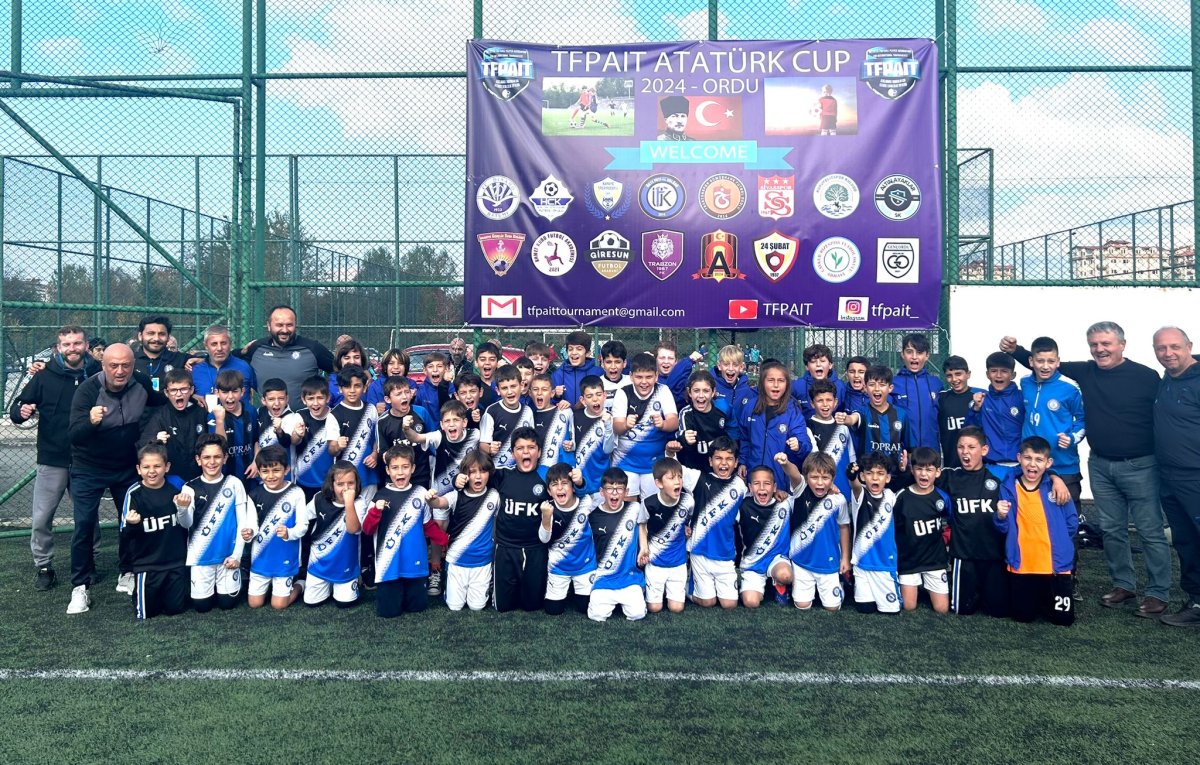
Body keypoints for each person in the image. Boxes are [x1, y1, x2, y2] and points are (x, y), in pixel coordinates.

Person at [1001, 322, 1171, 616]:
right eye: (1094, 344)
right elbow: (1042, 362)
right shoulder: (1085, 371)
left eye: (1106, 343)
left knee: (1149, 530)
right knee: (1112, 529)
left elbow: (1165, 412)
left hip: (1140, 464)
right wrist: (1015, 350)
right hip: (1101, 464)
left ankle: (1157, 592)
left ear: (1122, 345)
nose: (1100, 349)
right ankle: (1124, 585)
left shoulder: (1146, 376)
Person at [66, 342, 167, 614]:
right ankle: (80, 585)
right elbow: (73, 435)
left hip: (125, 467)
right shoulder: (87, 390)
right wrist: (91, 422)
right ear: (103, 365)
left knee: (131, 521)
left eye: (126, 365)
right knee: (84, 524)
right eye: (114, 365)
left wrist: (193, 398)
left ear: (133, 365)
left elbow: (162, 401)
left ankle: (128, 571)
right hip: (88, 468)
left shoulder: (140, 382)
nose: (120, 371)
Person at [9, 324, 92, 591]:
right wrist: (20, 412)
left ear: (86, 346)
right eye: (66, 344)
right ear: (58, 348)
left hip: (87, 459)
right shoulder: (44, 375)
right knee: (42, 518)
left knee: (87, 516)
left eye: (77, 343)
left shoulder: (98, 373)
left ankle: (89, 561)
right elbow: (18, 406)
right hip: (52, 458)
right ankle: (44, 566)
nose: (72, 348)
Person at [995, 436, 1079, 626]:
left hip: (1055, 566)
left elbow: (1072, 522)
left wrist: (1061, 542)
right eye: (1028, 458)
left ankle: (1046, 597)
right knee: (1023, 617)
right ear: (1019, 458)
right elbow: (1003, 528)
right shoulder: (1008, 487)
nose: (1032, 464)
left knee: (1063, 620)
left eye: (1039, 459)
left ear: (1048, 463)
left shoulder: (1056, 488)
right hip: (1023, 565)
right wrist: (1000, 516)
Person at [1150, 326, 1200, 626]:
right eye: (1161, 348)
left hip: (1196, 477)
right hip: (1169, 478)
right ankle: (1197, 602)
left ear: (1189, 346)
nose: (1168, 353)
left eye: (1175, 347)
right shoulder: (1167, 379)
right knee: (1186, 542)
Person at [669, 435, 747, 609]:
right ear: (710, 461)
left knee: (729, 604)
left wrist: (778, 494)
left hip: (725, 554)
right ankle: (688, 587)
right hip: (700, 550)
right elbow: (676, 470)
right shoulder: (699, 478)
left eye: (729, 459)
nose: (723, 463)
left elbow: (753, 502)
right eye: (718, 458)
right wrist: (670, 452)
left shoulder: (740, 486)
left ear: (736, 463)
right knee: (708, 602)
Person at [119, 443, 193, 620]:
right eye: (146, 467)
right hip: (148, 564)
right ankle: (139, 590)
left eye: (157, 466)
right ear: (138, 469)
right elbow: (125, 533)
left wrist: (183, 507)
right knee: (146, 613)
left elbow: (187, 524)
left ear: (167, 467)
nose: (152, 471)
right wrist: (132, 523)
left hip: (175, 562)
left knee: (175, 609)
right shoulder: (134, 493)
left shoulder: (177, 489)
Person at [480, 427, 550, 612]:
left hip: (536, 548)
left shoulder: (548, 476)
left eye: (531, 447)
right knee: (503, 607)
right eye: (520, 448)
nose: (526, 452)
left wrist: (579, 482)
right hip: (506, 547)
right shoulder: (503, 475)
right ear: (512, 453)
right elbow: (476, 475)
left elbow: (572, 489)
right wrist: (458, 479)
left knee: (532, 606)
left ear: (539, 452)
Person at [181, 434, 252, 612]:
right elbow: (186, 523)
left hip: (227, 557)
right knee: (202, 606)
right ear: (198, 460)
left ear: (225, 458)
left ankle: (237, 574)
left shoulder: (234, 483)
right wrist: (182, 509)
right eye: (206, 457)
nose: (212, 462)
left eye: (217, 457)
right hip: (200, 557)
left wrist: (237, 556)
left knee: (227, 604)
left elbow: (243, 522)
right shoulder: (189, 487)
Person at [1019, 337, 1086, 505]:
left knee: (1067, 516)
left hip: (1063, 465)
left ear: (1058, 362)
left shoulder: (1070, 387)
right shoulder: (1025, 382)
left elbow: (1083, 419)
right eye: (1040, 361)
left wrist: (1072, 438)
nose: (1045, 366)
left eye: (1051, 361)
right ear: (1031, 361)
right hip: (1032, 465)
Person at [429, 449, 498, 611]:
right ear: (465, 475)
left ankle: (488, 583)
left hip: (482, 561)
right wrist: (431, 499)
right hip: (456, 560)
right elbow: (439, 503)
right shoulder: (456, 495)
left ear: (489, 473)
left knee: (477, 607)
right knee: (455, 606)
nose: (478, 476)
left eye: (483, 471)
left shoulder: (494, 496)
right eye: (472, 472)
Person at [244, 444, 308, 609]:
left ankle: (300, 584)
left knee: (279, 605)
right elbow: (251, 524)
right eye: (265, 471)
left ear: (286, 469)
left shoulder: (296, 492)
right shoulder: (254, 495)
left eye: (276, 470)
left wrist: (289, 533)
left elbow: (303, 525)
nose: (271, 476)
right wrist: (249, 533)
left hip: (285, 556)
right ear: (259, 472)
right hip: (261, 557)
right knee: (254, 603)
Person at [789, 452, 851, 612]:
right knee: (802, 605)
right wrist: (784, 463)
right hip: (801, 561)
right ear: (806, 477)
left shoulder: (839, 500)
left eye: (825, 478)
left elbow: (844, 527)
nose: (820, 482)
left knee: (832, 608)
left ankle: (839, 585)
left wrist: (845, 557)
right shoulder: (800, 491)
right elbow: (793, 473)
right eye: (814, 477)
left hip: (828, 562)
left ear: (833, 479)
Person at [300, 460, 367, 608]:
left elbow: (353, 529)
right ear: (332, 484)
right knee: (312, 603)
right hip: (318, 562)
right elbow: (302, 517)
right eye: (340, 484)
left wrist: (348, 503)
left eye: (350, 483)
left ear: (357, 484)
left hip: (346, 564)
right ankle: (302, 583)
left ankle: (354, 579)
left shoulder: (359, 502)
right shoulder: (319, 498)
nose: (346, 488)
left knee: (344, 604)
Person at [612, 352, 679, 500]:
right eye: (639, 377)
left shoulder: (663, 391)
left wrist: (663, 424)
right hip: (625, 462)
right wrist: (625, 425)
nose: (644, 382)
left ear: (656, 376)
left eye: (649, 377)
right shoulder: (623, 393)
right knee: (628, 507)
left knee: (652, 506)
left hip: (655, 464)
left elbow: (674, 422)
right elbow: (616, 427)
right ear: (631, 376)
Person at [241, 305, 334, 410]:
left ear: (295, 325)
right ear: (269, 326)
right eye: (279, 325)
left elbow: (337, 368)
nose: (284, 330)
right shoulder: (256, 348)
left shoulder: (313, 348)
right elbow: (233, 361)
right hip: (268, 418)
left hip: (304, 418)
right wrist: (239, 352)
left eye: (289, 325)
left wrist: (327, 394)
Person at [585, 469, 648, 622]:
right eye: (609, 489)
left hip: (629, 578)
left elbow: (643, 525)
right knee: (596, 616)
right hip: (604, 578)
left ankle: (631, 598)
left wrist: (644, 548)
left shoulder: (635, 508)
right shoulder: (592, 517)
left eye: (619, 489)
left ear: (626, 492)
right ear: (602, 492)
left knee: (637, 614)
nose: (614, 493)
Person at [893, 447, 951, 613]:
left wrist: (945, 539)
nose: (923, 474)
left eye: (929, 470)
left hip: (935, 560)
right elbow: (893, 527)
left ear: (937, 472)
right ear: (912, 470)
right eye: (919, 469)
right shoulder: (902, 497)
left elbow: (950, 522)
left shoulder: (942, 498)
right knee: (909, 606)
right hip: (909, 560)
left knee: (942, 609)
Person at [739, 360, 811, 490]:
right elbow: (744, 438)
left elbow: (805, 444)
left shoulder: (792, 411)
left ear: (787, 384)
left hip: (780, 481)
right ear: (762, 383)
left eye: (781, 381)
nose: (776, 385)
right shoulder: (750, 407)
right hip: (754, 478)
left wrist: (799, 445)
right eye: (771, 380)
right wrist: (743, 462)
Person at [737, 460, 799, 608]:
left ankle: (779, 584)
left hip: (777, 559)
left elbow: (807, 495)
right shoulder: (742, 505)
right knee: (751, 602)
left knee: (785, 575)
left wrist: (831, 489)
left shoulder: (785, 503)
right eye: (756, 483)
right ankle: (757, 585)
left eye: (767, 483)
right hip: (753, 562)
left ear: (774, 487)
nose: (762, 488)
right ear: (750, 487)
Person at [539, 463, 595, 615]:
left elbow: (595, 492)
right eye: (554, 485)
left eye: (564, 483)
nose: (560, 488)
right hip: (558, 567)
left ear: (573, 487)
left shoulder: (586, 502)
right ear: (549, 491)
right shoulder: (548, 508)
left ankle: (577, 591)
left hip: (585, 566)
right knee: (553, 610)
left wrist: (581, 482)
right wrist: (546, 518)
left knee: (585, 608)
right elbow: (544, 539)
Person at [849, 452, 900, 615]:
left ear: (888, 478)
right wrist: (851, 476)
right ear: (863, 476)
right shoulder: (860, 495)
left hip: (884, 564)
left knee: (890, 611)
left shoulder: (891, 496)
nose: (875, 478)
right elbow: (855, 485)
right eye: (870, 473)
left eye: (880, 473)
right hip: (862, 563)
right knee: (865, 609)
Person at [138, 368, 208, 486]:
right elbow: (143, 444)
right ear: (166, 393)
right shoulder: (160, 416)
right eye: (174, 390)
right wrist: (155, 440)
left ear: (191, 390)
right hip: (171, 479)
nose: (179, 394)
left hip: (199, 476)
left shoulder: (201, 412)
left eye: (183, 389)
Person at [643, 457, 694, 614]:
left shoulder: (688, 501)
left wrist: (686, 527)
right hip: (655, 562)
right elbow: (642, 525)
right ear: (659, 483)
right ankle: (655, 590)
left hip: (678, 562)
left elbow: (688, 518)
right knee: (654, 608)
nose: (677, 481)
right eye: (671, 478)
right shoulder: (649, 503)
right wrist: (644, 548)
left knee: (676, 608)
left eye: (679, 477)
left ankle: (681, 588)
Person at [405, 399, 480, 497]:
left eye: (456, 420)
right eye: (447, 421)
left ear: (464, 422)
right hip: (441, 492)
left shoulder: (475, 435)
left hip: (466, 490)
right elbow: (416, 438)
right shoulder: (439, 436)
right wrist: (406, 429)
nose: (451, 424)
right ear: (442, 425)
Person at [966, 352, 1024, 464]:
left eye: (1004, 371)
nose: (998, 375)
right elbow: (971, 431)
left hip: (1020, 463)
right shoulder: (982, 400)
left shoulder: (1022, 398)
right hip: (991, 463)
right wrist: (975, 409)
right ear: (987, 374)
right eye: (993, 371)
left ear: (1013, 375)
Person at [847, 365, 908, 468]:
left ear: (890, 388)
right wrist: (846, 419)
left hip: (894, 474)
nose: (876, 389)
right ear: (865, 387)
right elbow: (853, 418)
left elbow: (908, 448)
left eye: (882, 385)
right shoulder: (863, 412)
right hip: (868, 473)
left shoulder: (901, 414)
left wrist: (904, 467)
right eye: (872, 385)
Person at [291, 375, 340, 500]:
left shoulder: (335, 416)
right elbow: (294, 441)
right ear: (303, 399)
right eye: (311, 398)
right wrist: (297, 434)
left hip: (328, 480)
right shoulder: (300, 416)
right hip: (303, 479)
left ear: (328, 398)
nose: (316, 403)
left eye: (320, 398)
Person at [207, 369, 258, 483]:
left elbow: (256, 440)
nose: (230, 397)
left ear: (242, 391)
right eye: (225, 392)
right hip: (225, 476)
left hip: (249, 474)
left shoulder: (251, 411)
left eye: (235, 391)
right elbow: (219, 446)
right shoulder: (213, 415)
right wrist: (220, 421)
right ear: (217, 393)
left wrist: (256, 461)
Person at [670, 370, 727, 473]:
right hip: (692, 469)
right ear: (689, 392)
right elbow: (681, 438)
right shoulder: (686, 413)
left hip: (714, 469)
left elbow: (727, 439)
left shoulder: (721, 413)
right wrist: (685, 439)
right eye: (696, 391)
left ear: (713, 392)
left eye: (706, 391)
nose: (701, 395)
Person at [891, 333, 939, 451]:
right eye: (909, 352)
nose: (914, 357)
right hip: (904, 452)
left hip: (931, 451)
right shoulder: (893, 384)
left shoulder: (936, 384)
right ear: (902, 354)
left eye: (919, 352)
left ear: (927, 355)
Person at [480, 365, 534, 470]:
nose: (510, 392)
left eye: (513, 386)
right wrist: (490, 448)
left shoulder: (528, 411)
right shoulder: (491, 411)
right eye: (504, 388)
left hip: (520, 469)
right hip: (498, 469)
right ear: (498, 390)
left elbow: (531, 440)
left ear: (521, 386)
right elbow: (482, 445)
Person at [570, 376, 616, 496]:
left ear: (605, 396)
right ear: (583, 400)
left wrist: (608, 426)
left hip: (602, 478)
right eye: (590, 396)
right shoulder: (575, 416)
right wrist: (569, 445)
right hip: (580, 477)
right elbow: (573, 443)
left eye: (598, 395)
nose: (595, 399)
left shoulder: (611, 418)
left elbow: (609, 450)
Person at [190, 324, 256, 406]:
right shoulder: (195, 370)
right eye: (214, 344)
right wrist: (191, 397)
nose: (219, 348)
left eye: (223, 343)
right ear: (206, 346)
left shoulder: (244, 367)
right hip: (204, 414)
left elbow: (265, 391)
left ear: (230, 344)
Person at [132, 315, 197, 392]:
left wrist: (199, 360)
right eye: (151, 333)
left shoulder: (180, 359)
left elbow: (208, 360)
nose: (156, 338)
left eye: (162, 334)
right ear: (140, 336)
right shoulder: (130, 360)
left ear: (168, 337)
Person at [530, 373, 574, 480]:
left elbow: (575, 438)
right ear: (530, 393)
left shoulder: (564, 412)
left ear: (552, 393)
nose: (539, 393)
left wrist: (572, 444)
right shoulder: (529, 416)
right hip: (539, 474)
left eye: (544, 389)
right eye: (535, 389)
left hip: (563, 474)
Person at [791, 343, 848, 419]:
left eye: (822, 361)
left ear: (830, 365)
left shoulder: (840, 387)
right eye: (813, 361)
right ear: (807, 367)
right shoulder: (796, 386)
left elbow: (846, 411)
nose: (818, 364)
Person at [551, 330, 602, 409]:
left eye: (579, 349)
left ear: (588, 353)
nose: (574, 352)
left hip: (591, 415)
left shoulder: (598, 372)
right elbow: (551, 402)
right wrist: (556, 397)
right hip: (566, 415)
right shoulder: (557, 375)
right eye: (570, 349)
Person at [655, 339, 703, 410]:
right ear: (655, 360)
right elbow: (667, 387)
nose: (666, 361)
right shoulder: (652, 380)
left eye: (670, 358)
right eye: (662, 358)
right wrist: (688, 361)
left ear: (676, 361)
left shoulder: (682, 378)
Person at [328, 339, 367, 407]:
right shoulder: (330, 386)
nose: (352, 361)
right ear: (340, 361)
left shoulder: (370, 383)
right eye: (347, 358)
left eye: (356, 357)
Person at [597, 339, 629, 413]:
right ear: (602, 363)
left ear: (624, 363)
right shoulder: (596, 384)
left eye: (617, 362)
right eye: (608, 362)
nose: (613, 366)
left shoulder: (631, 382)